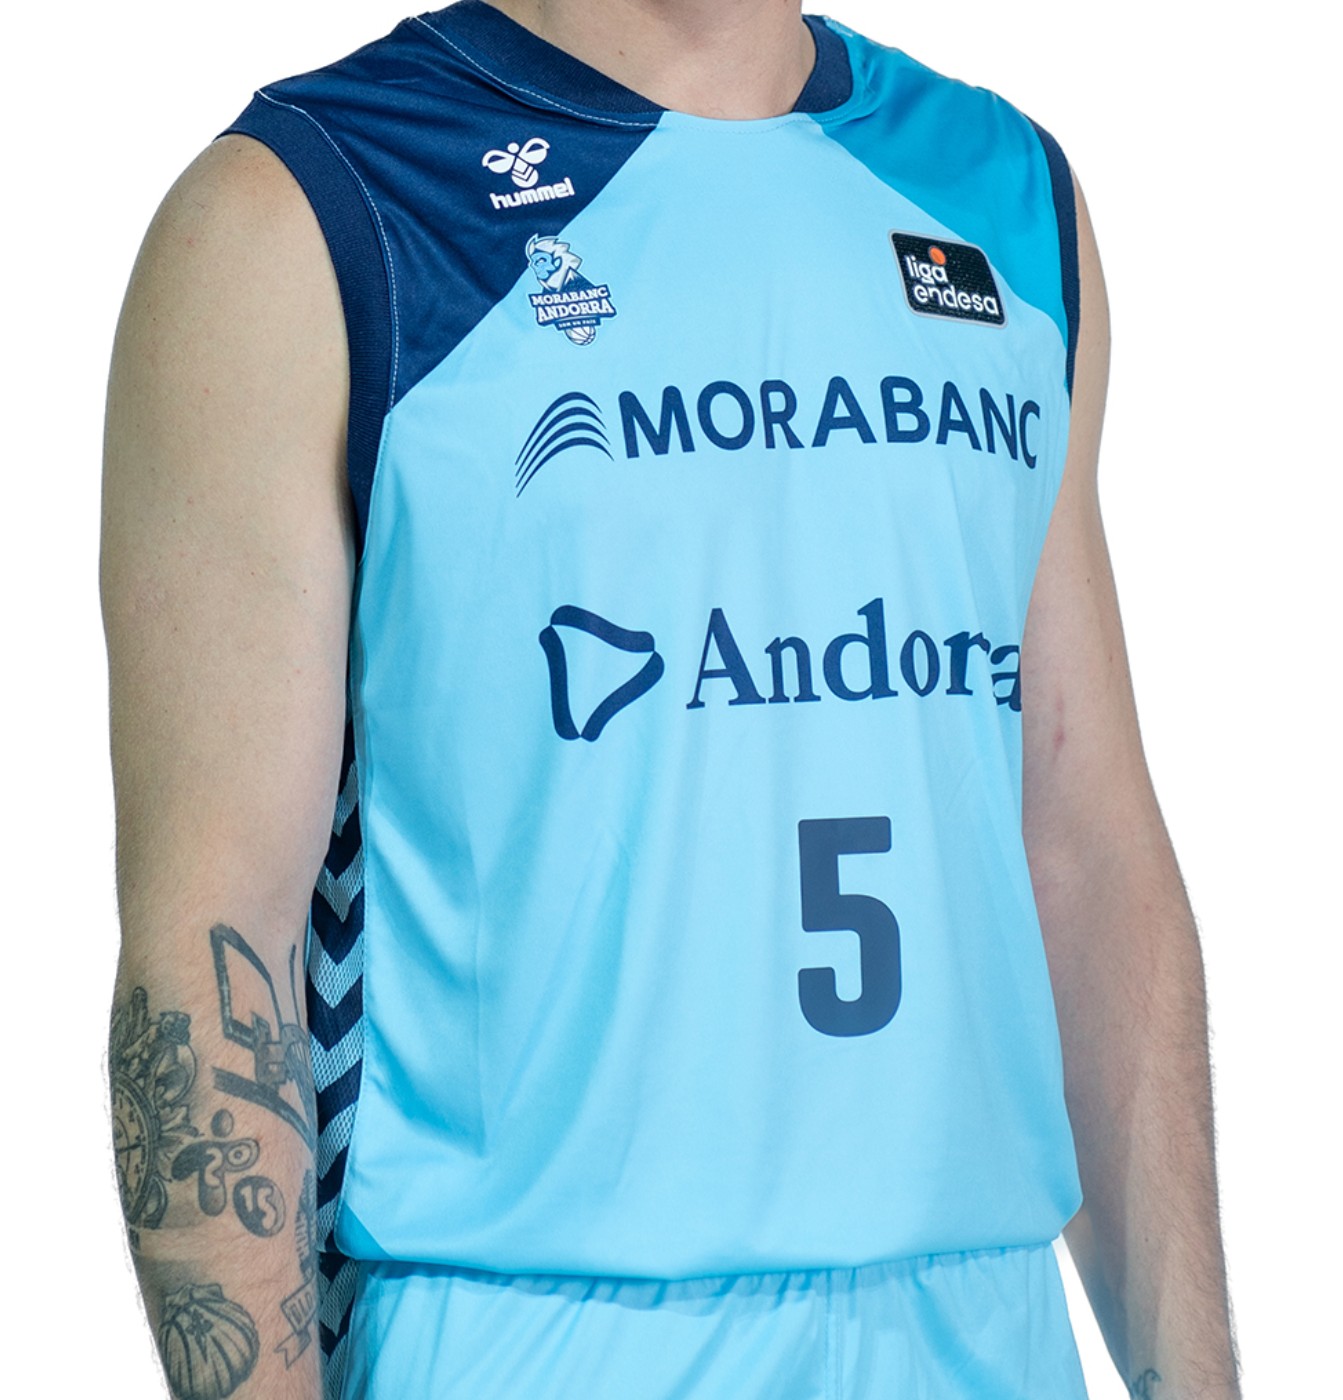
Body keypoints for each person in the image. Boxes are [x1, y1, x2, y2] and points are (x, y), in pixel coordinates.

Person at [101, 2, 1241, 1396]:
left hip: (982, 1333)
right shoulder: (303, 214)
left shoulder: (1007, 194)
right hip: (530, 1334)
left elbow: (1084, 846)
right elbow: (214, 941)